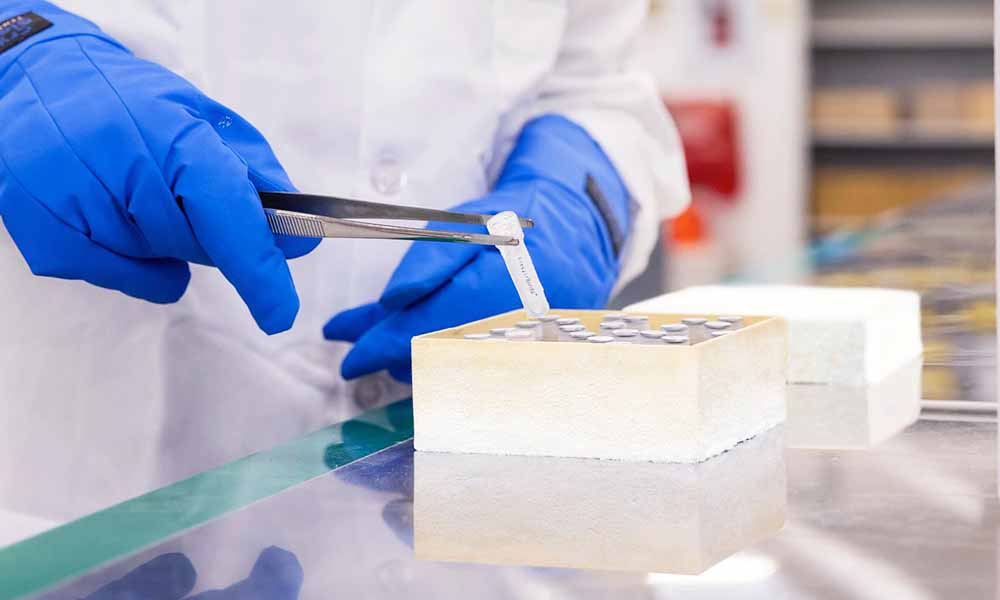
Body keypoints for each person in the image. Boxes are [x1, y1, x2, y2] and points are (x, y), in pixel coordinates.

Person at [0, 0, 689, 533]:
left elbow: (594, 80)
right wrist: (18, 53)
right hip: (81, 474)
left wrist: (582, 191)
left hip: (440, 489)